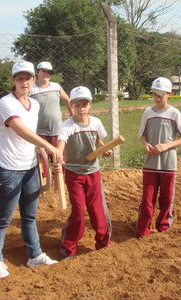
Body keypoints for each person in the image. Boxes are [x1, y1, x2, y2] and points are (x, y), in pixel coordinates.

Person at [0, 61, 62, 279]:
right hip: (8, 170)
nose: (25, 82)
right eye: (20, 78)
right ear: (13, 80)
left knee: (29, 216)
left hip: (30, 168)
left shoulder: (35, 105)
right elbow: (20, 129)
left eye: (28, 78)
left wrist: (43, 152)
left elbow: (32, 134)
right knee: (3, 218)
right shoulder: (5, 103)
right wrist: (49, 145)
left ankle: (35, 255)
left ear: (33, 80)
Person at [56, 86, 112, 258]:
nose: (81, 108)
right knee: (79, 211)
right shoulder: (66, 126)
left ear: (90, 105)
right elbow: (60, 146)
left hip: (93, 173)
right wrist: (58, 158)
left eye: (85, 104)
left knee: (97, 210)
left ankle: (103, 242)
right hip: (74, 174)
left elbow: (99, 141)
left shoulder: (96, 123)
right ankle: (69, 246)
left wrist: (104, 149)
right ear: (71, 106)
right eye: (77, 105)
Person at [136, 77, 181, 238]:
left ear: (169, 94)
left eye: (161, 95)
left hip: (168, 164)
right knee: (147, 199)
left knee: (166, 198)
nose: (157, 98)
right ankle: (143, 229)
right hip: (150, 163)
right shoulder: (148, 112)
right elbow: (142, 135)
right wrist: (146, 145)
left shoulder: (174, 113)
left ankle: (163, 226)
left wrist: (166, 146)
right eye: (154, 95)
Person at [29, 61, 72, 176]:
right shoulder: (30, 89)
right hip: (39, 132)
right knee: (42, 162)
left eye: (49, 72)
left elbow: (67, 100)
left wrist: (72, 115)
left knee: (58, 159)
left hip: (57, 131)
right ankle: (44, 186)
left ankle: (60, 185)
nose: (46, 74)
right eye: (43, 71)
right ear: (37, 72)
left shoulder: (56, 86)